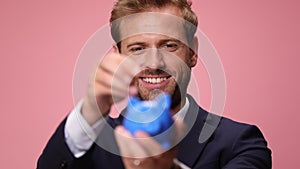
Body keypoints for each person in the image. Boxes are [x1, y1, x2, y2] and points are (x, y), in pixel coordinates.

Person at [37, 0, 272, 168]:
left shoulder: (240, 143)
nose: (154, 62)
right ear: (117, 55)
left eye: (169, 45)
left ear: (192, 52)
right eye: (137, 49)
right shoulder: (90, 143)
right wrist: (91, 107)